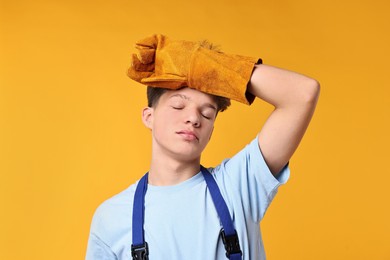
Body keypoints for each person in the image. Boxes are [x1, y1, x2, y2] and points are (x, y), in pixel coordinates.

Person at [85, 34, 320, 260]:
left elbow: (302, 94)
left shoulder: (239, 185)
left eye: (207, 114)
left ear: (211, 131)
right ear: (149, 116)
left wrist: (207, 65)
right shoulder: (112, 217)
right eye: (178, 106)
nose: (194, 119)